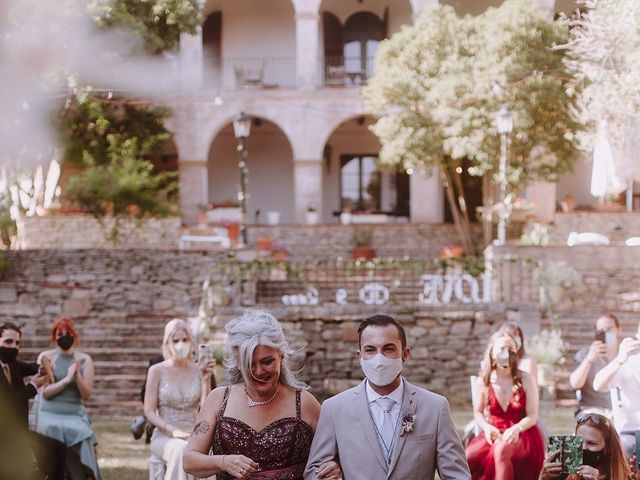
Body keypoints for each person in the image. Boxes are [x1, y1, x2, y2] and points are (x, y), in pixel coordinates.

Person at [304, 313, 470, 480]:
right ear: (359, 356)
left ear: (405, 354)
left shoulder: (435, 407)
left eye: (388, 349)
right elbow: (314, 470)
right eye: (370, 350)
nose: (379, 358)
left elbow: (457, 475)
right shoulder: (334, 409)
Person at [183, 309, 342, 480]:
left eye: (267, 361)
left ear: (281, 358)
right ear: (238, 362)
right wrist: (223, 462)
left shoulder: (304, 403)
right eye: (250, 363)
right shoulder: (218, 399)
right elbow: (189, 460)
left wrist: (334, 466)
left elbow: (337, 453)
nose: (259, 371)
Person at [465, 331, 544, 480]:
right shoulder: (483, 382)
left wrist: (517, 429)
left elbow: (532, 416)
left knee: (502, 450)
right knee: (469, 456)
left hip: (521, 432)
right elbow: (478, 412)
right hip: (494, 431)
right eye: (501, 348)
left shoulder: (526, 379)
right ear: (492, 351)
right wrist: (487, 428)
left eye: (511, 348)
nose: (507, 352)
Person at [144, 318, 215, 480]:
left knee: (204, 456)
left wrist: (205, 380)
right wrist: (172, 430)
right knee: (180, 451)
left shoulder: (199, 370)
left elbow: (205, 411)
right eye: (175, 340)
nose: (180, 344)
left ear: (191, 341)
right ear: (167, 342)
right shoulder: (156, 370)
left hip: (194, 436)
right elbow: (148, 410)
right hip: (164, 436)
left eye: (185, 340)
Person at [0, 321, 68, 479]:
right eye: (8, 342)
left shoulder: (12, 365)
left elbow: (28, 367)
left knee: (57, 448)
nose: (13, 347)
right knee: (41, 454)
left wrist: (41, 368)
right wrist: (32, 386)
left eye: (17, 343)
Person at [38, 316, 102, 480]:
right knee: (48, 429)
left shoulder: (85, 359)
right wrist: (66, 380)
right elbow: (45, 392)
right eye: (60, 334)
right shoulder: (46, 357)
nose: (64, 337)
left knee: (82, 433)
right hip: (49, 411)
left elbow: (87, 395)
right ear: (54, 337)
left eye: (68, 333)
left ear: (74, 335)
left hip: (74, 413)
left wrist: (77, 376)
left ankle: (81, 474)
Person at [593, 320, 640, 459]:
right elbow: (598, 385)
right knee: (625, 449)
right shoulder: (628, 362)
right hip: (631, 432)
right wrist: (619, 360)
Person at [539, 412, 634, 480]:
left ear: (608, 447)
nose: (584, 448)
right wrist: (543, 477)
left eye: (592, 443)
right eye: (579, 441)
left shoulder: (624, 476)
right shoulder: (563, 473)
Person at [569, 314, 621, 418]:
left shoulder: (626, 353)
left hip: (622, 410)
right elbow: (574, 384)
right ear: (596, 334)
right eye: (602, 331)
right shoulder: (584, 354)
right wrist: (589, 359)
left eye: (610, 329)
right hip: (592, 410)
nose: (606, 333)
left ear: (619, 330)